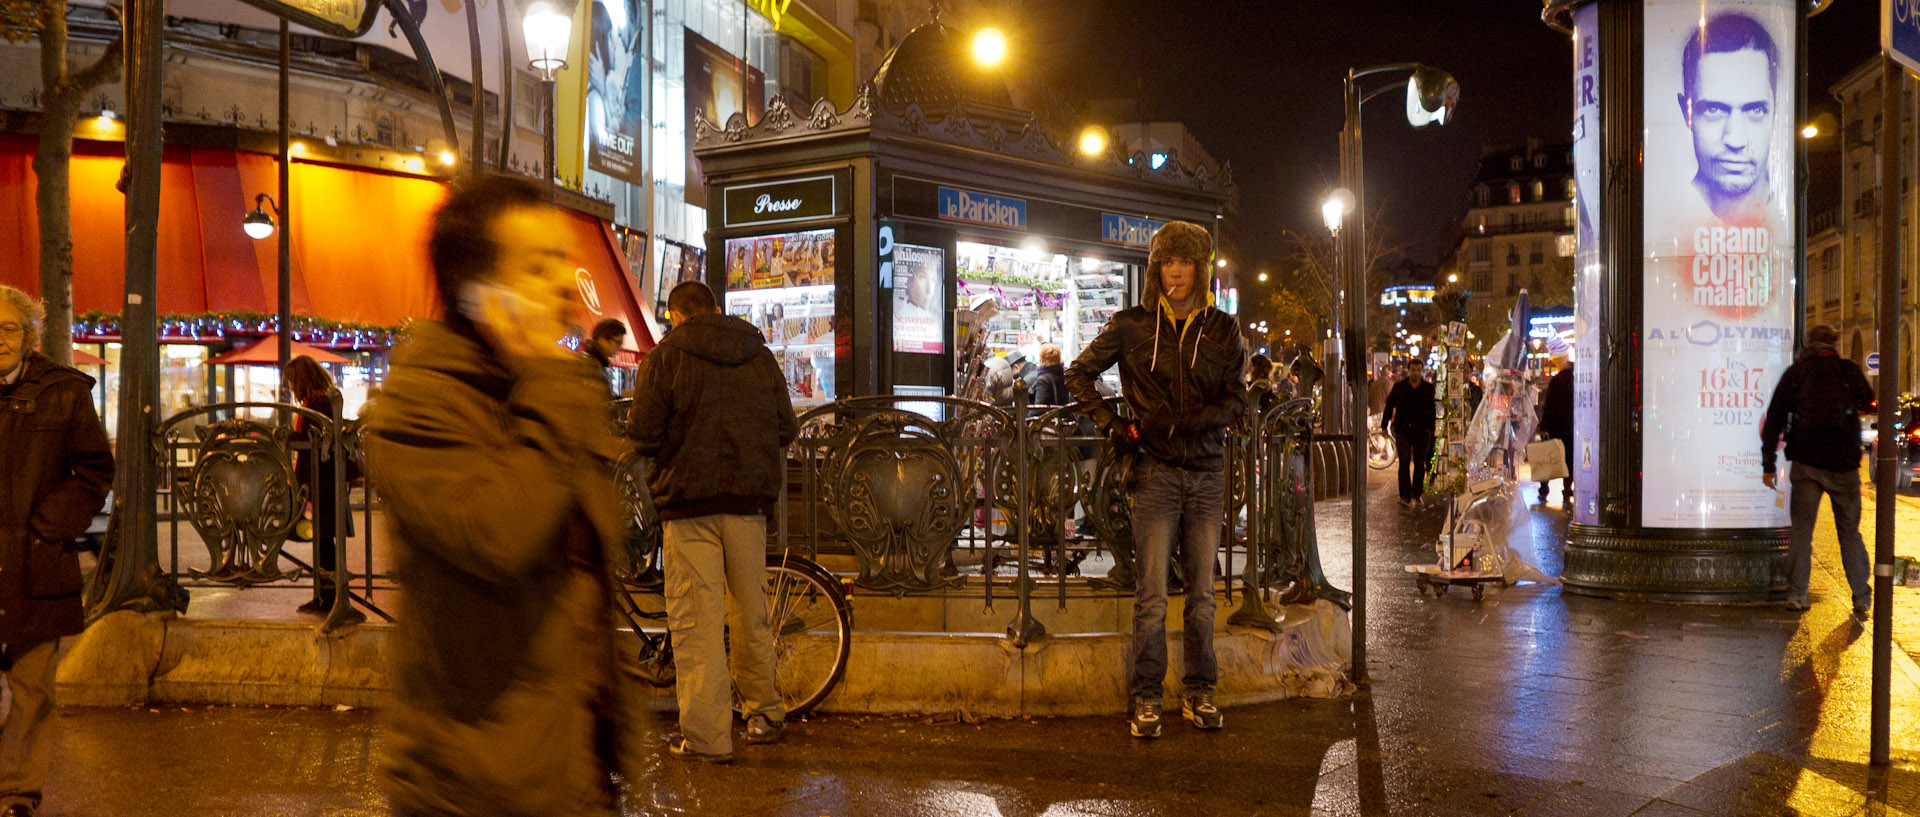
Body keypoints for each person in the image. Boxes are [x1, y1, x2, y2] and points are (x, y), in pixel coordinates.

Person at [365, 176, 645, 816]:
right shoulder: (421, 404)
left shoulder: (540, 391)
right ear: (477, 293)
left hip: (567, 770)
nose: (563, 280)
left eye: (563, 258)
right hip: (473, 784)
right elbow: (498, 534)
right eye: (538, 263)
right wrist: (553, 381)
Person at [1065, 220, 1246, 739]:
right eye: (1167, 262)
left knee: (1203, 597)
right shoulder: (1132, 325)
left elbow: (1236, 397)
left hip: (1207, 473)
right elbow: (1078, 374)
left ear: (1200, 269)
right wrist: (1113, 426)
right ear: (1155, 269)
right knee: (1149, 597)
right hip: (1156, 474)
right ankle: (1146, 697)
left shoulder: (1222, 329)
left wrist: (1194, 424)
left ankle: (1200, 692)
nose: (1176, 272)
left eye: (1185, 262)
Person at [627, 280, 796, 763]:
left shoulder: (665, 358)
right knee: (751, 614)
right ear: (716, 310)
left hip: (689, 504)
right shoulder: (759, 356)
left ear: (676, 316)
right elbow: (787, 426)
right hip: (747, 503)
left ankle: (708, 738)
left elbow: (642, 433)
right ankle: (764, 715)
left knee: (696, 622)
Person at [0, 286, 112, 817]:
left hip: (35, 564)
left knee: (32, 691)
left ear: (29, 336)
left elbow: (93, 469)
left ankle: (16, 794)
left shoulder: (64, 392)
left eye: (9, 328)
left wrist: (48, 527)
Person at [1760, 324, 1875, 618]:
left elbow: (1774, 418)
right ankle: (1861, 596)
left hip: (1807, 465)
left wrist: (1768, 465)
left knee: (1801, 533)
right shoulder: (1847, 371)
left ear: (1808, 344)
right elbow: (1867, 400)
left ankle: (1797, 594)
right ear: (1834, 344)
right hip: (1844, 466)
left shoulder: (1796, 374)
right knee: (1849, 533)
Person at [1677, 11, 1778, 223]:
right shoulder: (1664, 218)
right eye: (1714, 110)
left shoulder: (1783, 214)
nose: (1735, 140)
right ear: (1686, 113)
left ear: (1776, 110)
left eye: (1755, 110)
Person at [284, 355, 344, 614]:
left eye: (291, 382)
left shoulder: (318, 405)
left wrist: (291, 437)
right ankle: (324, 596)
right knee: (323, 542)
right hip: (321, 484)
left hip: (321, 485)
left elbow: (315, 442)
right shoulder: (322, 401)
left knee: (324, 543)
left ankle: (328, 598)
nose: (290, 388)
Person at [1381, 360, 1437, 507]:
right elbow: (1389, 405)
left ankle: (1417, 493)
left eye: (1419, 370)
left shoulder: (1428, 389)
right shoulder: (1400, 387)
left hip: (1422, 431)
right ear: (1409, 371)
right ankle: (1405, 495)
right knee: (1404, 462)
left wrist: (1430, 428)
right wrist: (1384, 425)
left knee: (1420, 463)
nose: (1416, 373)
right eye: (1413, 370)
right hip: (1403, 429)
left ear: (1422, 371)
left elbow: (1433, 410)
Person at [1536, 360, 1574, 505]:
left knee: (1549, 456)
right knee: (1569, 460)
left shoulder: (1556, 381)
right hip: (1570, 428)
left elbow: (1549, 404)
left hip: (1555, 427)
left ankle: (1544, 489)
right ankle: (1567, 489)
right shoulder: (1575, 382)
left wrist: (1544, 426)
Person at [584, 318, 628, 396]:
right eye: (618, 342)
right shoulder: (589, 364)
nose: (620, 347)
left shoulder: (602, 363)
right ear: (603, 339)